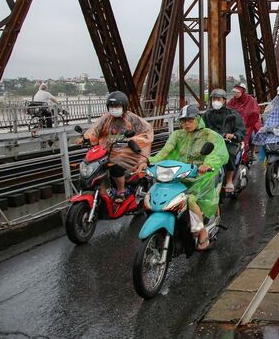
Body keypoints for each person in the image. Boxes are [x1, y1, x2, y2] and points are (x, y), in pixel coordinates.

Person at [149, 104, 228, 251]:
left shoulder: (209, 135)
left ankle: (202, 230)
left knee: (189, 199)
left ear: (198, 119)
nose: (187, 123)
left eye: (190, 120)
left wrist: (207, 164)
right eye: (184, 120)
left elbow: (216, 152)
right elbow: (165, 152)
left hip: (202, 174)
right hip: (180, 173)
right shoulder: (178, 135)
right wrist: (149, 161)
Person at [77, 91, 154, 203]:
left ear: (124, 107)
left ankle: (120, 191)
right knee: (94, 166)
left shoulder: (132, 118)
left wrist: (133, 140)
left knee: (115, 166)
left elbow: (147, 130)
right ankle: (103, 192)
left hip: (127, 151)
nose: (114, 109)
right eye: (112, 106)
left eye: (117, 106)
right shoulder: (106, 118)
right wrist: (86, 138)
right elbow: (95, 130)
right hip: (107, 151)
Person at [202, 88, 246, 194]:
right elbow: (201, 127)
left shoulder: (232, 114)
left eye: (218, 99)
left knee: (229, 153)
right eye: (213, 99)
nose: (216, 101)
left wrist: (234, 135)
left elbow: (241, 130)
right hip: (212, 142)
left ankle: (229, 180)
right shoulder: (207, 115)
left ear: (224, 100)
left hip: (228, 142)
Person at [227, 84, 262, 151]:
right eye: (234, 92)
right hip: (235, 124)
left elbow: (255, 113)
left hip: (249, 124)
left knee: (252, 138)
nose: (235, 94)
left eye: (237, 92)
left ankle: (252, 152)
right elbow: (227, 109)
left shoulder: (250, 100)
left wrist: (247, 122)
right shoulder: (233, 101)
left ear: (242, 92)